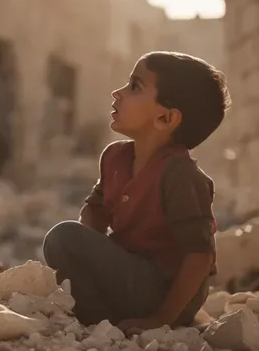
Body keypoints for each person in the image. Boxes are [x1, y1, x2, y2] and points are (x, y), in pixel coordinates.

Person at [42, 51, 231, 335]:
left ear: (166, 118)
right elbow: (95, 210)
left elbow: (199, 257)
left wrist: (162, 319)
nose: (117, 93)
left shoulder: (180, 175)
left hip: (163, 292)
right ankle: (105, 322)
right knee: (63, 244)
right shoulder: (115, 157)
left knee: (63, 236)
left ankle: (117, 322)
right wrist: (88, 255)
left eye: (134, 87)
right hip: (128, 277)